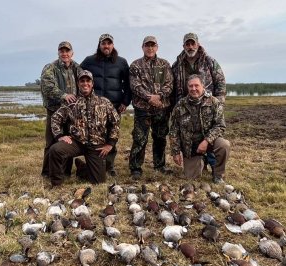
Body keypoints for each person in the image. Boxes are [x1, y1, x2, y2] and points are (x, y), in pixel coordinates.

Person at [49, 70, 120, 186]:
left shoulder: (104, 102)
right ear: (78, 84)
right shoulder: (71, 103)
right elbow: (55, 119)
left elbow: (115, 123)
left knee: (98, 182)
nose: (85, 83)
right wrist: (60, 136)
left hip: (96, 146)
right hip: (76, 142)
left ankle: (82, 169)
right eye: (82, 81)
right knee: (55, 150)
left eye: (88, 81)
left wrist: (110, 144)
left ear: (92, 83)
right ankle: (56, 183)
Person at [172, 33, 226, 172]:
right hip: (186, 107)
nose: (190, 47)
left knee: (211, 135)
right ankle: (198, 160)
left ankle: (214, 166)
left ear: (197, 44)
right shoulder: (177, 64)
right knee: (191, 138)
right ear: (183, 46)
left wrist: (218, 104)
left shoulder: (209, 61)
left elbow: (220, 83)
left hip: (207, 105)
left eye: (192, 43)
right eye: (187, 44)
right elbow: (172, 87)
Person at [80, 33, 131, 176]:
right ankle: (94, 163)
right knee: (93, 136)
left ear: (113, 45)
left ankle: (110, 165)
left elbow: (128, 84)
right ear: (99, 45)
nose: (106, 46)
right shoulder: (89, 61)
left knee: (111, 135)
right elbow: (78, 77)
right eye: (103, 43)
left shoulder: (121, 62)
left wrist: (125, 102)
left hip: (114, 105)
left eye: (109, 43)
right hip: (93, 106)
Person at [169, 74, 230, 184]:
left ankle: (218, 174)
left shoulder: (214, 102)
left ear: (203, 86)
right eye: (190, 86)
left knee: (224, 145)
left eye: (196, 85)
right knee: (191, 178)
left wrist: (206, 141)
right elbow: (173, 130)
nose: (193, 89)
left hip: (210, 142)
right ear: (187, 87)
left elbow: (220, 126)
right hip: (190, 146)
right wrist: (175, 152)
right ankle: (202, 161)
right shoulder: (180, 105)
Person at [129, 36, 173, 180]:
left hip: (161, 108)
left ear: (157, 47)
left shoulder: (164, 64)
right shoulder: (135, 65)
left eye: (152, 45)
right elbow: (135, 85)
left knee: (160, 138)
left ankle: (159, 166)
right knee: (140, 138)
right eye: (147, 45)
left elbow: (169, 84)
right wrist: (149, 98)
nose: (150, 48)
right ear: (142, 47)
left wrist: (159, 96)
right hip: (142, 109)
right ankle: (135, 168)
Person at [40, 41, 82, 178]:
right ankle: (47, 172)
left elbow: (84, 82)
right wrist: (64, 95)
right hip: (55, 111)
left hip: (71, 112)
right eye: (62, 51)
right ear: (58, 53)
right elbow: (47, 87)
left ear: (72, 53)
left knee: (69, 140)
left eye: (67, 51)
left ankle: (66, 172)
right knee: (52, 142)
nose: (65, 54)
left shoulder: (76, 67)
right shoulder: (50, 68)